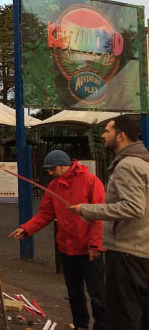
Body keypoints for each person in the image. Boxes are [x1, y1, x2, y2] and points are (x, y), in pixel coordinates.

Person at [8, 149, 105, 330]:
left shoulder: (91, 181)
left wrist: (95, 244)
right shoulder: (54, 186)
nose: (49, 173)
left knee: (97, 292)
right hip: (67, 247)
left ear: (62, 166)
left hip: (88, 247)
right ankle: (80, 325)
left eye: (51, 169)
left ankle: (102, 326)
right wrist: (26, 228)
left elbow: (100, 215)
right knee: (74, 291)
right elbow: (45, 214)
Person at [70, 115, 149, 330]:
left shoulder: (127, 165)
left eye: (107, 130)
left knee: (124, 317)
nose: (103, 135)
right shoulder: (143, 161)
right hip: (141, 250)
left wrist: (87, 209)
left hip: (127, 253)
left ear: (121, 135)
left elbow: (133, 207)